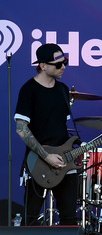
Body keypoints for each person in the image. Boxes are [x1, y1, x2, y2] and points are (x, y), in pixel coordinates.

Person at [15, 43, 77, 225]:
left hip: (64, 160)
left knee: (69, 216)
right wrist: (46, 155)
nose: (63, 67)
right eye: (58, 64)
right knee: (31, 217)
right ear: (43, 66)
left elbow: (60, 126)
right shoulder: (29, 90)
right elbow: (21, 129)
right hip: (38, 161)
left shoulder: (63, 90)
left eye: (65, 62)